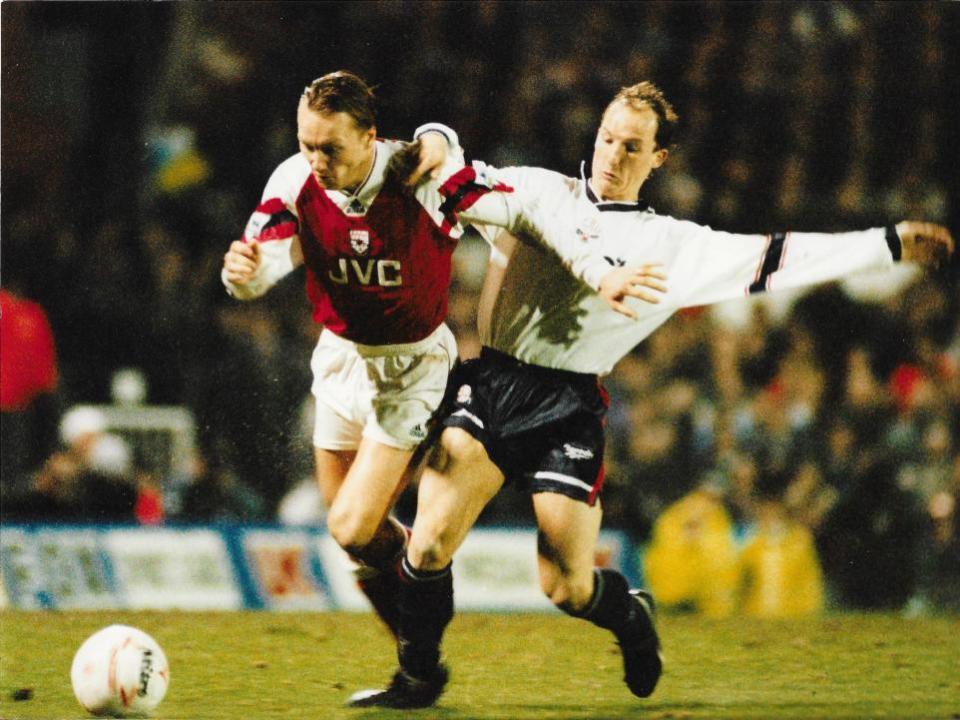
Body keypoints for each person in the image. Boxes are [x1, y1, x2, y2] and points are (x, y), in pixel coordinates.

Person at [347, 81, 955, 707]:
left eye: (632, 146)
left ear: (658, 159)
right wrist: (433, 138)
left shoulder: (672, 246)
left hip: (568, 408)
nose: (613, 154)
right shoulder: (537, 191)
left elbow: (776, 257)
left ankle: (631, 618)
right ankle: (418, 677)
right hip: (494, 382)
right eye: (607, 138)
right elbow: (448, 172)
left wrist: (887, 245)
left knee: (567, 588)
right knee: (427, 542)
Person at [220, 71, 658, 640]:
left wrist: (599, 272)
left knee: (352, 528)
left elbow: (528, 212)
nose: (317, 159)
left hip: (412, 370)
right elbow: (269, 256)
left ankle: (422, 636)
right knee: (356, 536)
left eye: (331, 147)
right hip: (340, 358)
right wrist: (247, 275)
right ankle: (417, 630)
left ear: (371, 137)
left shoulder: (420, 179)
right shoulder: (294, 178)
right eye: (307, 145)